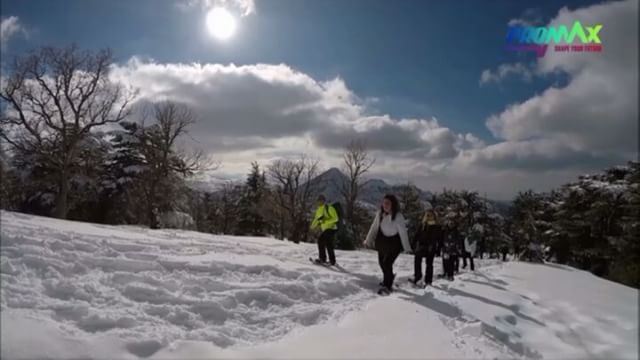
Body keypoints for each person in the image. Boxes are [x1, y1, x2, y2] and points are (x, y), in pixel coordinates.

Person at [364, 194, 411, 295]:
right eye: (384, 203)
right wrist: (368, 240)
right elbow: (374, 228)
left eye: (388, 203)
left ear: (393, 204)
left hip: (394, 243)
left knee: (387, 263)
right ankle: (388, 278)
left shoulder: (398, 216)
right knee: (381, 263)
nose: (385, 205)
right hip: (383, 241)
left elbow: (403, 232)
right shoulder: (380, 213)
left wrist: (407, 247)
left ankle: (387, 285)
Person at [409, 208, 443, 287]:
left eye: (430, 215)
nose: (428, 216)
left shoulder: (437, 226)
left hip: (431, 247)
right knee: (417, 260)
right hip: (421, 246)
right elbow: (417, 235)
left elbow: (440, 239)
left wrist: (439, 249)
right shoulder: (422, 224)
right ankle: (418, 277)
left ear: (434, 216)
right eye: (427, 215)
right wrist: (413, 244)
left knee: (429, 264)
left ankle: (428, 281)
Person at [310, 195, 339, 265]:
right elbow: (316, 220)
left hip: (331, 228)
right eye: (319, 200)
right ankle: (327, 260)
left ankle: (326, 260)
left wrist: (325, 221)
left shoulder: (329, 208)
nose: (320, 202)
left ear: (324, 201)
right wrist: (311, 227)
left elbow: (336, 218)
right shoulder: (318, 210)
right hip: (325, 229)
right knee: (324, 242)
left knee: (323, 242)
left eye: (321, 200)